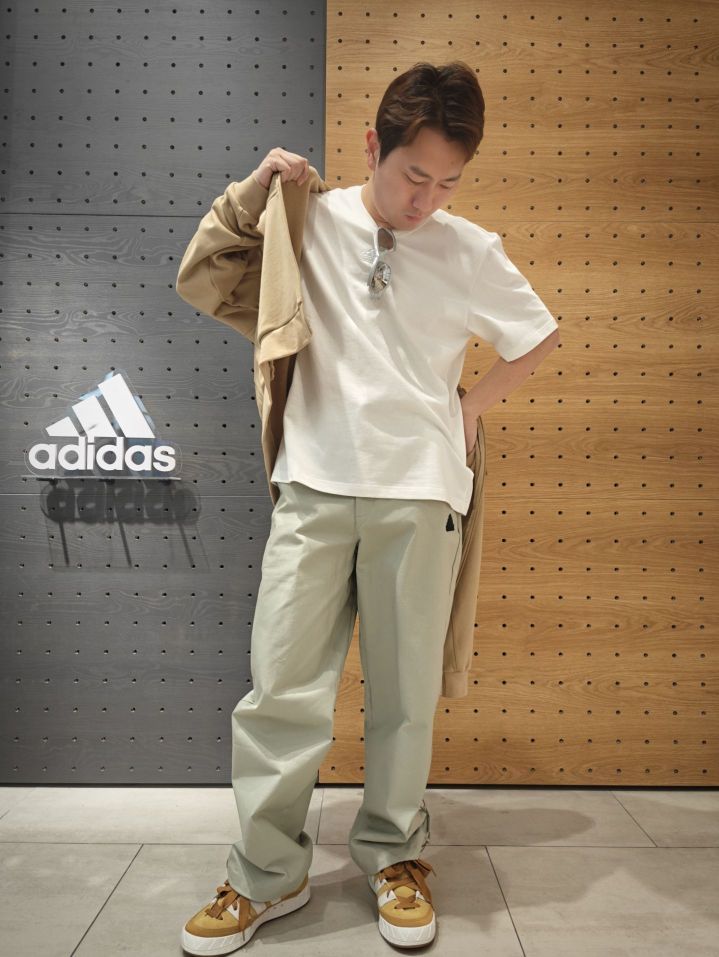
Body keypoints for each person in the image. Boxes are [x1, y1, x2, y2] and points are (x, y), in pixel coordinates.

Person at [179, 61, 560, 955]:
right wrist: (254, 189)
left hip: (419, 495)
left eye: (447, 182)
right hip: (312, 485)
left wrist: (468, 409)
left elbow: (537, 336)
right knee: (280, 691)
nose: (426, 199)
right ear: (370, 149)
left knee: (402, 698)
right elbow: (203, 275)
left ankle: (394, 854)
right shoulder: (307, 218)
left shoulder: (469, 249)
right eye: (413, 174)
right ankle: (264, 874)